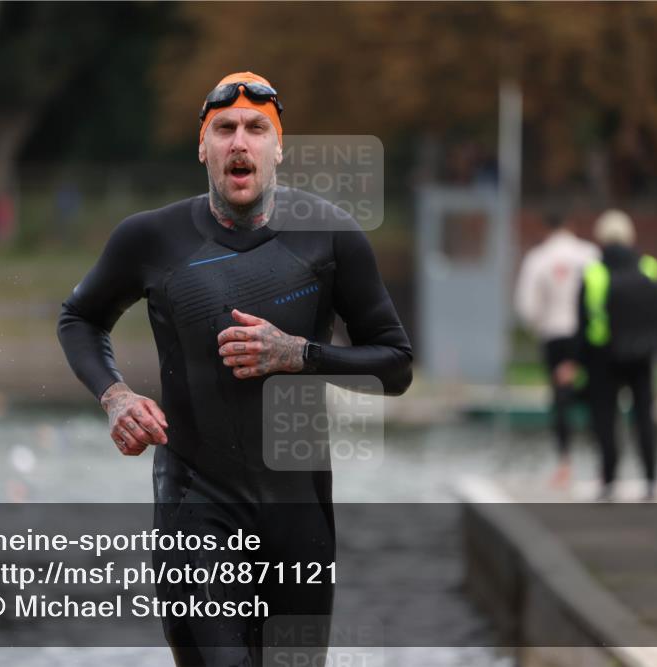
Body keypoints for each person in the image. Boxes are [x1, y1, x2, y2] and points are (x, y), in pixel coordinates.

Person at [57, 72, 413, 666]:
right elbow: (79, 318)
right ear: (203, 146)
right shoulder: (150, 238)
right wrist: (114, 395)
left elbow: (396, 365)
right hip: (195, 502)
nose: (239, 142)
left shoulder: (330, 236)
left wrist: (298, 354)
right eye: (224, 129)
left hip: (297, 512)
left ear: (279, 147)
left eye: (256, 129)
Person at [558, 210, 657, 502]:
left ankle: (609, 480)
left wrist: (577, 360)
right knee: (644, 418)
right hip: (642, 355)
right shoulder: (649, 268)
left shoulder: (594, 272)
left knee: (605, 420)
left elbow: (583, 322)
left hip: (603, 357)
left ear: (600, 238)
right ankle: (651, 480)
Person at [514, 209, 598, 487]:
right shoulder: (590, 254)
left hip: (554, 336)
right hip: (586, 335)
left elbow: (526, 306)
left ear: (545, 229)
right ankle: (603, 462)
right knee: (597, 396)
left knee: (560, 400)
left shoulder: (538, 258)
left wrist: (539, 326)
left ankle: (564, 464)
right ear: (571, 225)